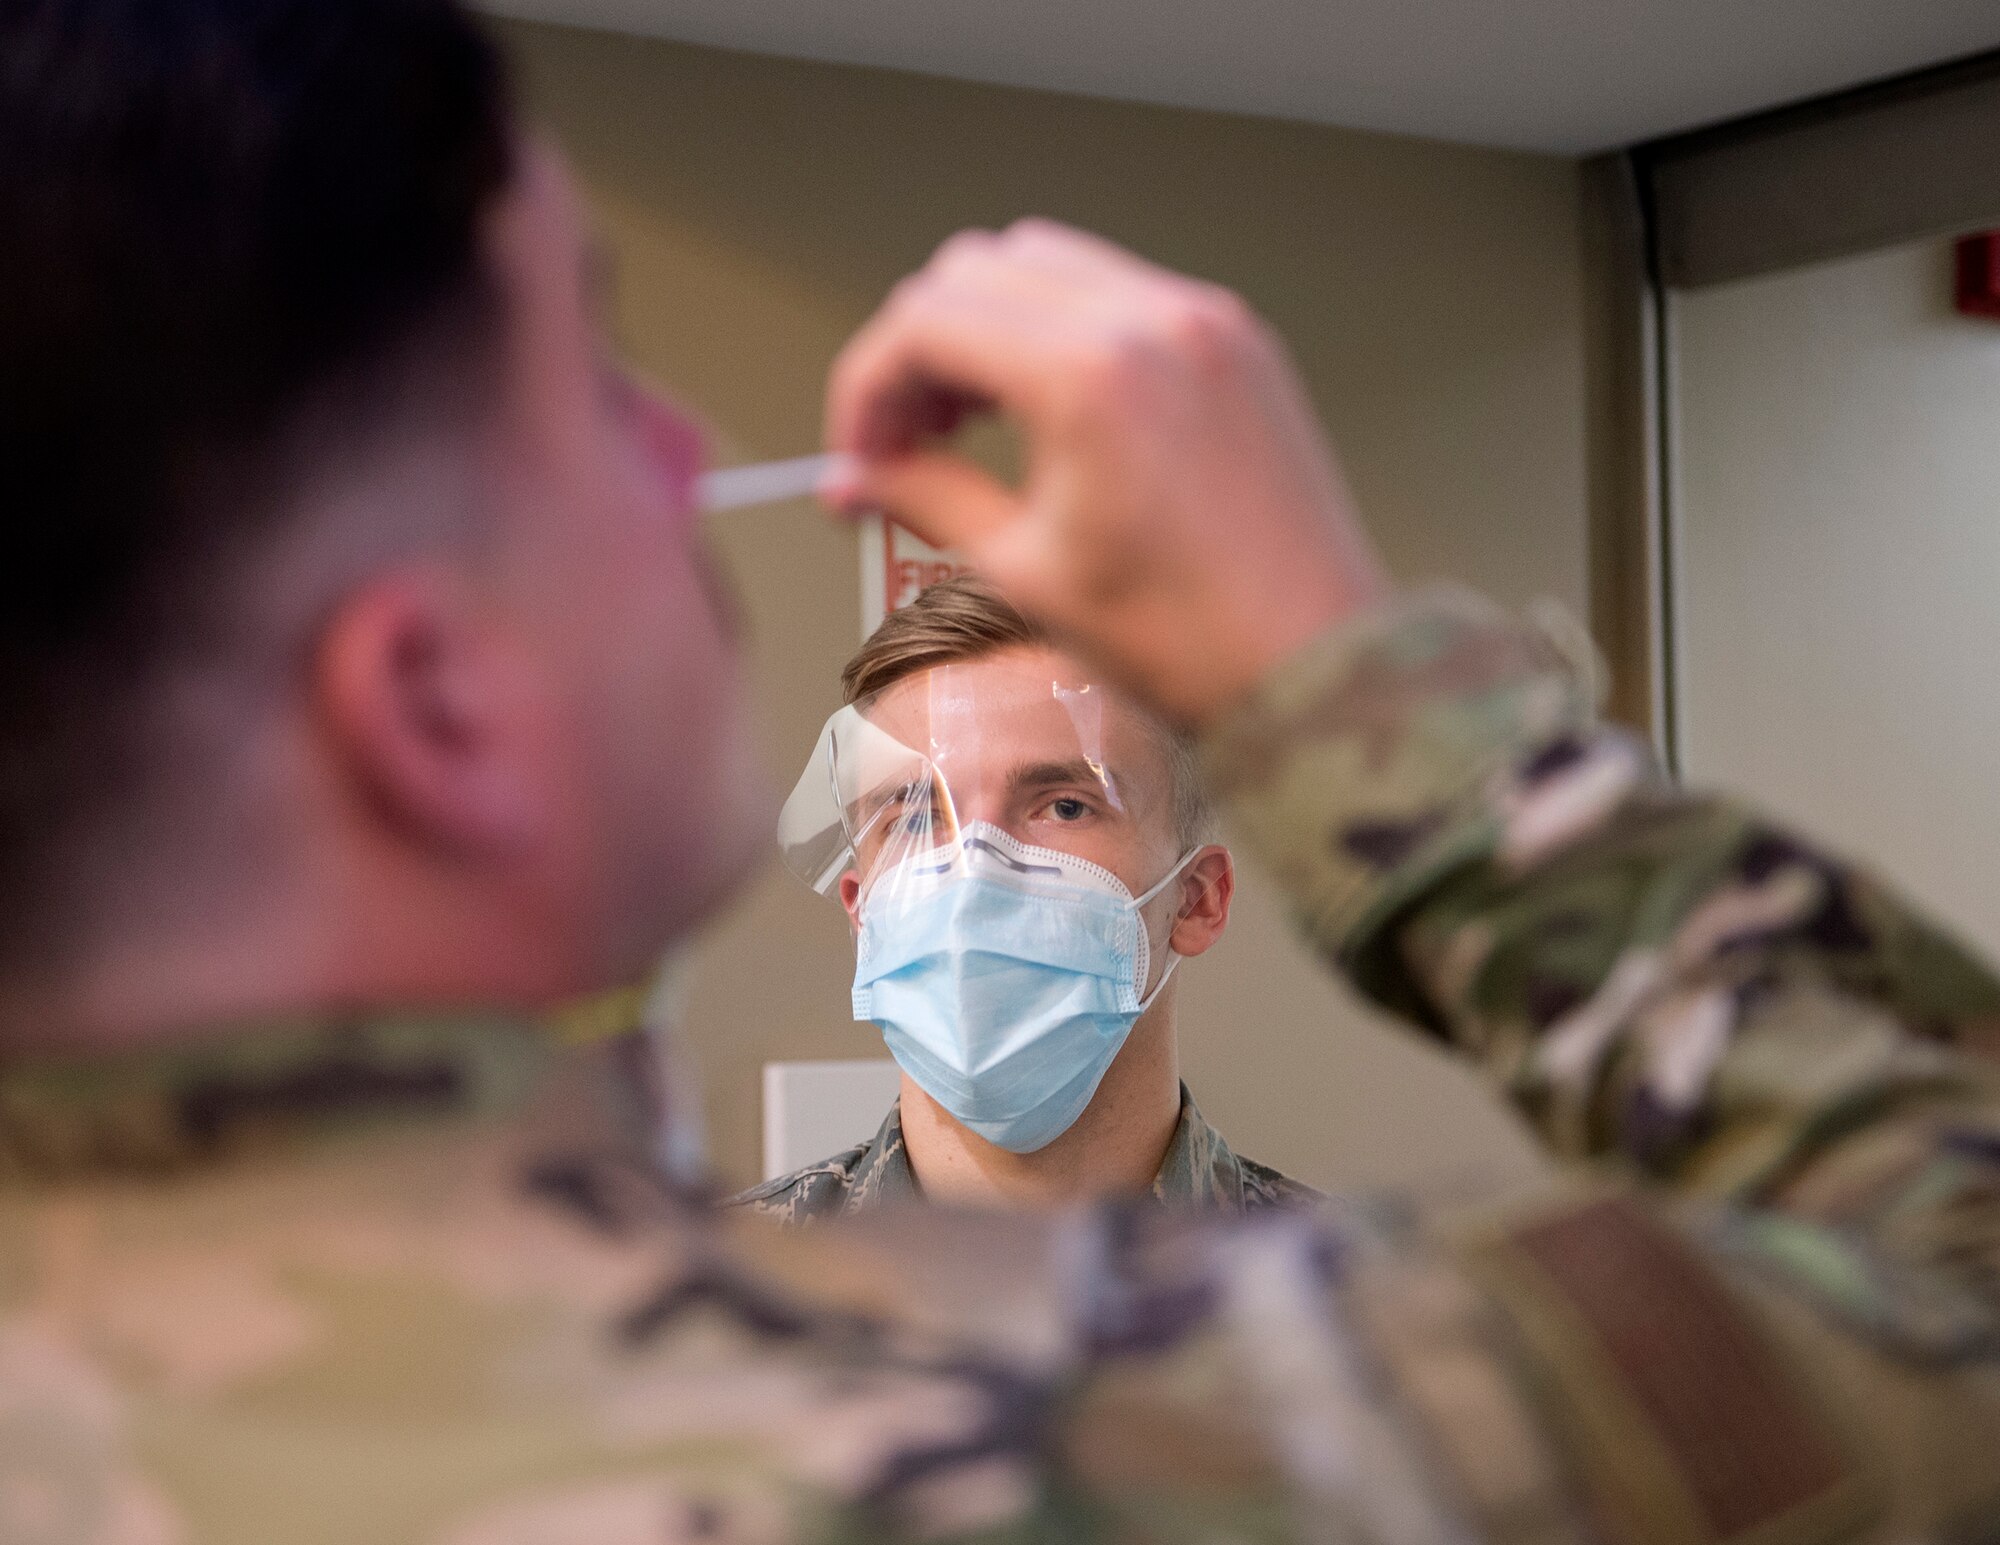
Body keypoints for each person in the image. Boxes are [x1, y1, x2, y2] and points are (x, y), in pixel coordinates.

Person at [2, 2, 1997, 1540]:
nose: (696, 453)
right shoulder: (1220, 1418)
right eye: (603, 387)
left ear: (1192, 895)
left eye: (1059, 801)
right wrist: (1346, 679)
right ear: (436, 709)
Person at [734, 574, 1321, 1218]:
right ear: (861, 912)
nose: (973, 872)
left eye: (1066, 807)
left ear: (1197, 900)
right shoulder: (711, 1293)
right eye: (915, 815)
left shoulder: (1366, 1297)